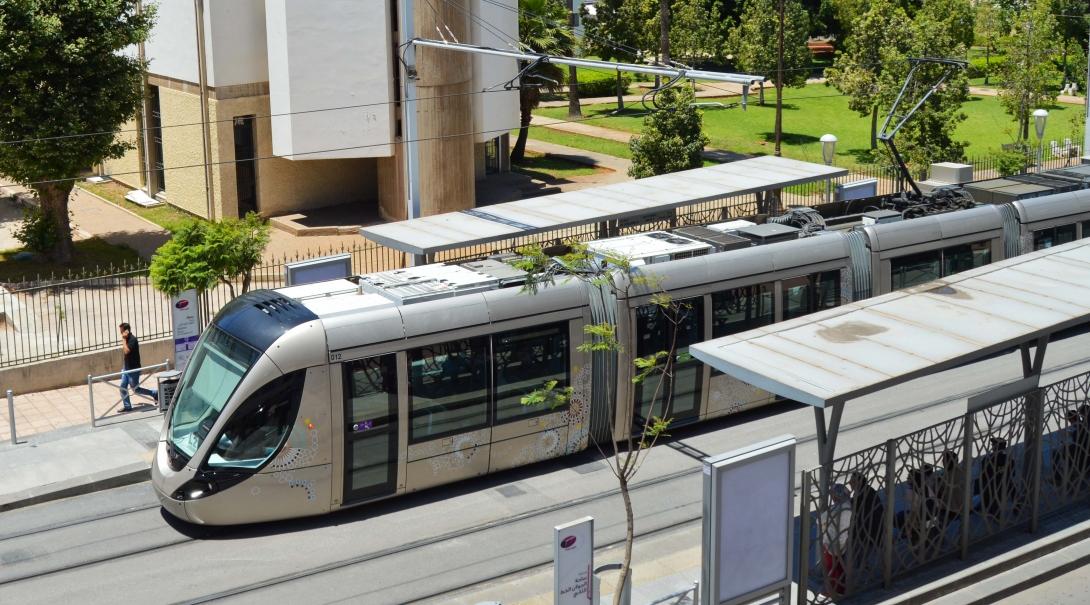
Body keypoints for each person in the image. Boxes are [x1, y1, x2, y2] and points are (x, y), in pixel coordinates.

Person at [849, 472, 884, 575]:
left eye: (852, 481)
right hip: (871, 527)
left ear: (859, 482)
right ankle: (861, 564)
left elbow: (852, 508)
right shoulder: (865, 491)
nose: (849, 482)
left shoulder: (863, 494)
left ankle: (859, 566)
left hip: (870, 529)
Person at [821, 483, 853, 597]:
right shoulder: (848, 505)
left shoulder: (835, 509)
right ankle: (841, 589)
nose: (832, 497)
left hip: (831, 541)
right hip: (843, 540)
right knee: (839, 566)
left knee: (831, 567)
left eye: (833, 495)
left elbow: (820, 521)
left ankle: (833, 591)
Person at [118, 322, 157, 413]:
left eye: (122, 331)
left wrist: (123, 339)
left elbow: (127, 351)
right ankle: (127, 407)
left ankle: (154, 393)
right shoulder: (127, 339)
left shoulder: (132, 340)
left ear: (126, 331)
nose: (121, 334)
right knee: (122, 388)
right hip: (126, 369)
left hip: (133, 370)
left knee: (136, 390)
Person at [977, 437, 1015, 522]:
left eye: (993, 445)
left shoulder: (988, 460)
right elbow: (1013, 473)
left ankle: (992, 511)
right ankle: (1017, 507)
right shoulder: (1008, 459)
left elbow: (983, 475)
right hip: (1005, 484)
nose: (992, 446)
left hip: (992, 485)